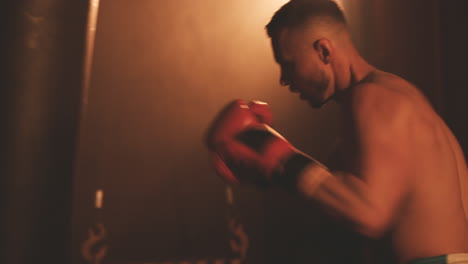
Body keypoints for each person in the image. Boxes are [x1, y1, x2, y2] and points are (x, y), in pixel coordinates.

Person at [205, 0, 468, 264]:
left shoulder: (371, 98)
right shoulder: (401, 98)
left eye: (288, 63)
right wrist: (264, 170)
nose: (283, 78)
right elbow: (329, 201)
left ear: (324, 51)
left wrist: (276, 154)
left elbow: (368, 214)